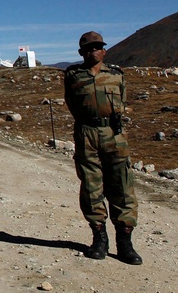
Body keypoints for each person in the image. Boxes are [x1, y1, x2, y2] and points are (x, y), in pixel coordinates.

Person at [63, 31, 142, 265]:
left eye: (97, 47)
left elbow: (123, 101)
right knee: (90, 185)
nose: (93, 51)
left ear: (104, 51)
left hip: (114, 135)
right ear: (81, 52)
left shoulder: (116, 74)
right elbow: (71, 103)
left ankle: (125, 242)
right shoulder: (73, 75)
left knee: (122, 185)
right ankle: (99, 238)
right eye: (88, 48)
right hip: (87, 133)